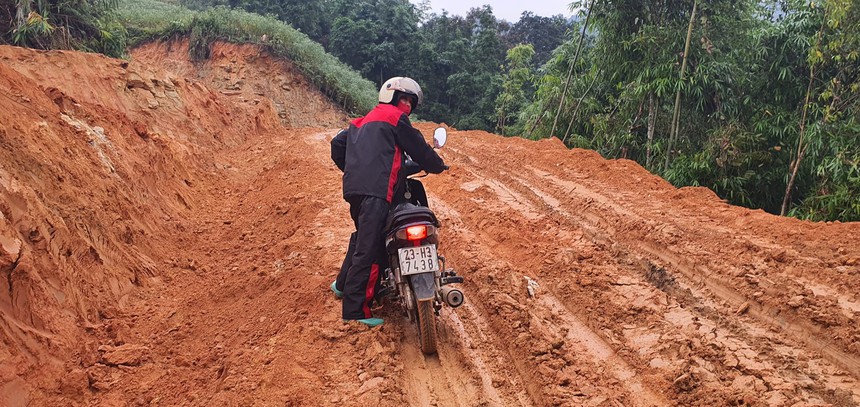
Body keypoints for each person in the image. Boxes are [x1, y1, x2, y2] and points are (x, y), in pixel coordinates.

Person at [330, 77, 446, 327]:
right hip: (376, 191)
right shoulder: (394, 119)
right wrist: (437, 165)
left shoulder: (362, 122)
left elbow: (337, 144)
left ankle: (342, 284)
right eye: (403, 99)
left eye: (410, 101)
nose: (406, 105)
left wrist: (354, 168)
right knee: (370, 249)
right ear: (391, 98)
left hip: (356, 190)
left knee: (364, 237)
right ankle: (356, 311)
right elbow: (420, 150)